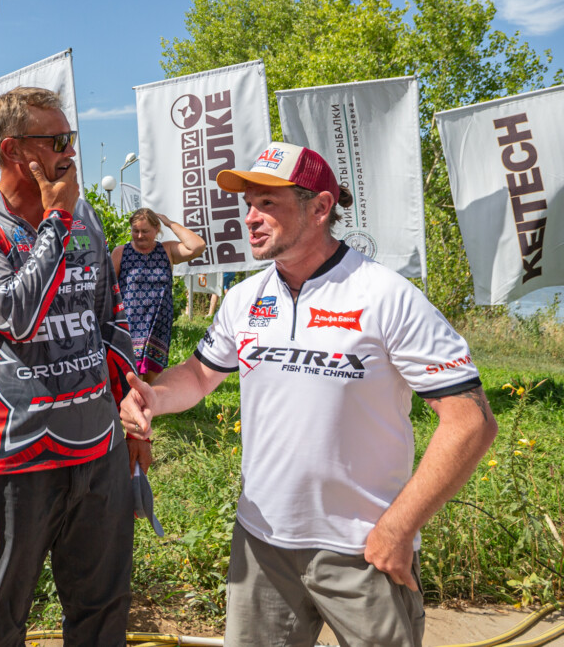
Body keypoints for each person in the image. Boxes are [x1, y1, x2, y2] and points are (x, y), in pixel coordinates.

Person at [120, 142, 499, 646]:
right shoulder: (245, 298)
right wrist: (154, 396)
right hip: (260, 545)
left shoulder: (385, 295)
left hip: (364, 549)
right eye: (248, 204)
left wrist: (398, 528)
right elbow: (199, 374)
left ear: (320, 208)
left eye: (268, 204)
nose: (250, 218)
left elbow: (471, 420)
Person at [0, 86, 142, 647]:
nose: (69, 151)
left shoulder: (85, 216)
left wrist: (129, 409)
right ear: (11, 150)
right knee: (0, 617)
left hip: (98, 447)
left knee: (103, 610)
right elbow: (15, 314)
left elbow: (109, 314)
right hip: (15, 454)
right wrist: (56, 219)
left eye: (70, 137)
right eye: (56, 140)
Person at [112, 208, 205, 383]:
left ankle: (153, 402)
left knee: (153, 379)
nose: (139, 236)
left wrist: (170, 223)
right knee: (131, 377)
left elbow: (197, 246)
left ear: (156, 229)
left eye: (145, 231)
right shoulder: (121, 252)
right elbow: (109, 288)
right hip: (130, 325)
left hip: (158, 325)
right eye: (135, 230)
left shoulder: (167, 250)